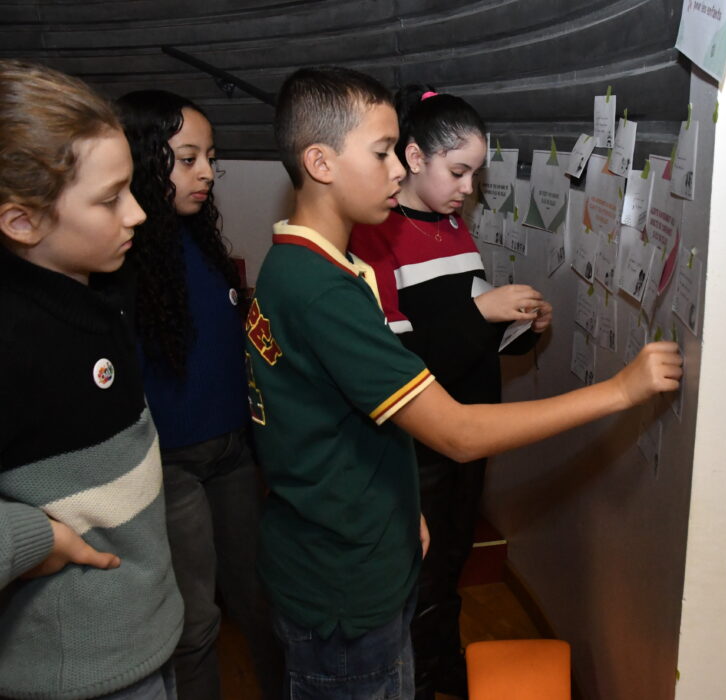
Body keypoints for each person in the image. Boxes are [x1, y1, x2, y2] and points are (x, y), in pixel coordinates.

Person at [247, 65, 682, 700]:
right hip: (344, 589)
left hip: (353, 548)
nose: (398, 169)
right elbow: (454, 431)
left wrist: (396, 508)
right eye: (382, 153)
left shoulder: (298, 265)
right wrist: (621, 390)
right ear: (320, 162)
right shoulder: (323, 293)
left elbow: (347, 421)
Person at [349, 85, 552, 699]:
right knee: (422, 568)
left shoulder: (453, 227)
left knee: (452, 558)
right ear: (414, 157)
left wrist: (518, 329)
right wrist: (485, 310)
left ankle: (441, 665)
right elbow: (399, 358)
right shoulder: (377, 237)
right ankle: (416, 674)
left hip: (471, 427)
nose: (468, 186)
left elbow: (468, 338)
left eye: (474, 173)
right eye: (457, 170)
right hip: (424, 438)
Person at [0, 60, 183, 699]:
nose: (136, 213)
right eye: (109, 199)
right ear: (21, 223)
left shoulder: (101, 289)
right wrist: (30, 536)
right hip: (75, 673)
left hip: (142, 636)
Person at [116, 90, 282, 700]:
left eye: (209, 157)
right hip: (172, 465)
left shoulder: (201, 242)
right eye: (187, 159)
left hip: (233, 452)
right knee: (194, 623)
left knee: (260, 600)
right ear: (144, 160)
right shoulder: (120, 253)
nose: (207, 172)